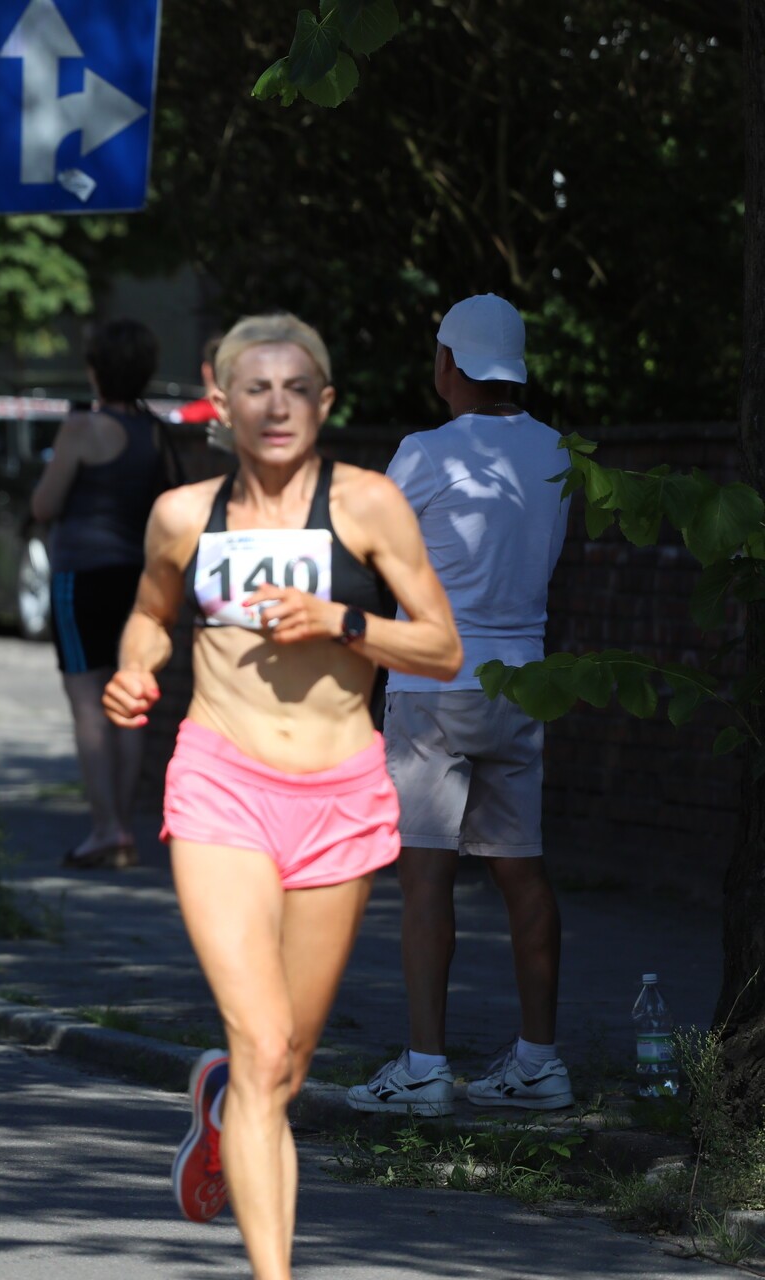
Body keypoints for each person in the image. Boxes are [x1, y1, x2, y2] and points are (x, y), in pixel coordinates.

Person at [103, 312, 460, 1279]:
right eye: (255, 389)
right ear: (220, 403)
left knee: (287, 1061)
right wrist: (136, 669)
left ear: (325, 403)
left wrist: (342, 620)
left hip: (341, 794)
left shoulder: (369, 504)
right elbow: (150, 614)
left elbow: (441, 646)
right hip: (221, 781)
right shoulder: (184, 515)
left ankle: (226, 1107)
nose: (277, 406)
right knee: (262, 1043)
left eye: (296, 389)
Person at [346, 294, 575, 1119]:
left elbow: (371, 548)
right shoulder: (558, 452)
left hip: (434, 684)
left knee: (425, 876)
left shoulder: (424, 451)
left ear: (448, 363)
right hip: (522, 681)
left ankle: (424, 1068)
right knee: (523, 870)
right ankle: (539, 1063)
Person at [29, 318, 169, 869]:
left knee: (88, 703)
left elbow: (44, 504)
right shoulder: (154, 431)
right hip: (138, 577)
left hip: (82, 577)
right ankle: (125, 828)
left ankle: (106, 827)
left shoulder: (83, 428)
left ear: (95, 371)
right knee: (129, 699)